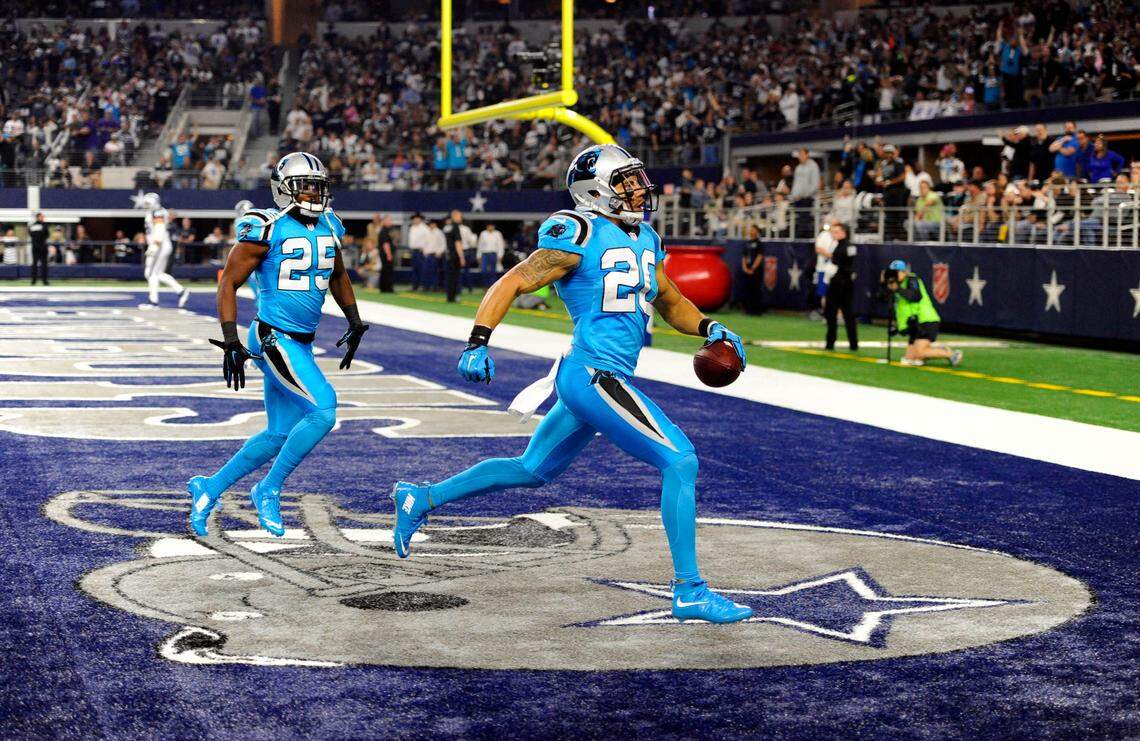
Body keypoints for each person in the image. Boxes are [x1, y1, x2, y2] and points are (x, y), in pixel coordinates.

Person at [391, 144, 753, 624]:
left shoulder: (646, 237)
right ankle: (689, 590)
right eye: (627, 182)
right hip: (591, 376)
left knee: (531, 469)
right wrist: (478, 341)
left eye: (638, 180)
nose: (640, 190)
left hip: (599, 377)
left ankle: (422, 496)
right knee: (680, 460)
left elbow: (669, 299)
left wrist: (710, 328)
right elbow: (512, 282)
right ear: (596, 189)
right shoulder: (576, 231)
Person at [187, 152, 369, 538]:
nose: (314, 193)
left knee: (279, 433)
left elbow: (337, 274)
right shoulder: (265, 227)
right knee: (323, 411)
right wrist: (232, 338)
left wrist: (353, 318)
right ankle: (268, 489)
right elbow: (228, 284)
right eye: (305, 185)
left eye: (318, 186)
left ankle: (209, 487)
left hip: (301, 342)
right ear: (283, 189)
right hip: (273, 336)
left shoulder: (330, 224)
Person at [882, 259, 962, 367]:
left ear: (904, 272)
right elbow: (882, 298)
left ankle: (951, 354)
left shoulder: (912, 279)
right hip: (915, 323)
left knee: (919, 354)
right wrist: (884, 284)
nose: (895, 275)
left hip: (926, 320)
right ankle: (938, 351)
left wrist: (898, 289)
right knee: (911, 358)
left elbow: (915, 296)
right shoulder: (895, 285)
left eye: (897, 272)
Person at [140, 193, 190, 308]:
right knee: (157, 273)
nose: (146, 205)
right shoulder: (153, 212)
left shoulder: (157, 212)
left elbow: (159, 229)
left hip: (160, 245)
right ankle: (181, 291)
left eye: (148, 203)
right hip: (160, 245)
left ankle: (153, 301)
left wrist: (155, 245)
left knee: (151, 273)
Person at [820, 223, 857, 351]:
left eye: (836, 232)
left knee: (832, 312)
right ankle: (853, 343)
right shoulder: (847, 246)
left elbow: (842, 263)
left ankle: (831, 342)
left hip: (838, 282)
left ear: (843, 232)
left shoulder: (844, 246)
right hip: (846, 282)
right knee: (848, 313)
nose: (833, 234)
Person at [442, 211, 466, 302]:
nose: (461, 218)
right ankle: (453, 297)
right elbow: (457, 243)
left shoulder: (447, 227)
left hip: (447, 255)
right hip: (454, 255)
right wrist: (461, 257)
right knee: (455, 277)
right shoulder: (456, 227)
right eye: (460, 216)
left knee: (449, 277)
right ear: (455, 216)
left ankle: (449, 296)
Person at [740, 224, 764, 315]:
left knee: (756, 289)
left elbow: (760, 256)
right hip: (747, 268)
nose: (751, 231)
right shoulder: (747, 243)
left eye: (753, 229)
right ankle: (747, 309)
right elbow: (744, 256)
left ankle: (756, 310)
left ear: (757, 232)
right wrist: (745, 267)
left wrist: (753, 268)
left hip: (756, 270)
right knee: (747, 289)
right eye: (750, 229)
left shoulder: (759, 243)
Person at [476, 222, 505, 287]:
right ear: (487, 227)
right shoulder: (483, 233)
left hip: (493, 254)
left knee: (493, 272)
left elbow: (500, 245)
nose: (490, 227)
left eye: (492, 226)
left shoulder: (497, 234)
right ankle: (485, 286)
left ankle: (493, 287)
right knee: (483, 271)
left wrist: (500, 255)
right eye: (489, 226)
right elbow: (480, 245)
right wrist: (478, 256)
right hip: (485, 254)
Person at [407, 212, 430, 290]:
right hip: (413, 251)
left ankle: (424, 286)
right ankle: (415, 286)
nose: (415, 220)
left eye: (416, 219)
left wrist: (425, 249)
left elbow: (429, 240)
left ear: (420, 219)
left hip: (421, 251)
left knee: (422, 269)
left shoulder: (425, 228)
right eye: (414, 219)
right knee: (414, 269)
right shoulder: (412, 228)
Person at [28, 212, 48, 285]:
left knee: (42, 264)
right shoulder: (35, 225)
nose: (43, 218)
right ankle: (38, 281)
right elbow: (45, 234)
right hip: (39, 247)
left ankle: (40, 281)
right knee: (37, 264)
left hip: (39, 247)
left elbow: (46, 235)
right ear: (38, 217)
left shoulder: (34, 225)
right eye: (42, 217)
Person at [377, 215, 395, 293]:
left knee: (384, 271)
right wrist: (389, 254)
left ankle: (383, 288)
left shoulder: (384, 230)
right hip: (385, 254)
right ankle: (388, 288)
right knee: (387, 271)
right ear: (384, 221)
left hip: (383, 254)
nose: (391, 222)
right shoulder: (384, 231)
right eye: (389, 221)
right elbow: (386, 244)